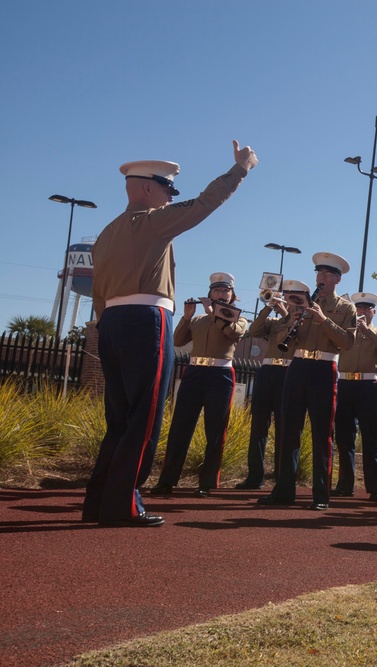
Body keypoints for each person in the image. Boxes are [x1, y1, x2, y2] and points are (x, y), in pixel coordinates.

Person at [82, 141, 257, 527]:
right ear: (146, 189)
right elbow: (203, 205)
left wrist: (107, 324)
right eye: (166, 189)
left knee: (120, 419)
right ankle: (122, 504)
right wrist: (239, 170)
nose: (169, 197)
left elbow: (98, 294)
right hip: (146, 319)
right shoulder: (150, 221)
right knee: (145, 417)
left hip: (111, 322)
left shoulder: (107, 233)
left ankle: (98, 500)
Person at [257, 254, 357, 510]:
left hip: (324, 368)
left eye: (325, 275)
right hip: (298, 366)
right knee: (289, 429)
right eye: (318, 274)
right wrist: (291, 322)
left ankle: (321, 494)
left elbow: (346, 343)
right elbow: (287, 340)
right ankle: (284, 490)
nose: (320, 279)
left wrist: (323, 319)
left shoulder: (346, 308)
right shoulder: (301, 303)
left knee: (322, 433)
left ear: (337, 279)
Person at [150, 273, 248, 496]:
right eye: (217, 291)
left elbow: (232, 333)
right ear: (209, 293)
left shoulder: (238, 318)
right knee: (180, 427)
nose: (221, 294)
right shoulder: (198, 320)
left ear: (233, 296)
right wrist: (186, 317)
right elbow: (177, 341)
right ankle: (167, 480)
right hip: (194, 372)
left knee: (214, 429)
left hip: (221, 374)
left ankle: (207, 482)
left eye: (226, 291)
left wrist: (215, 314)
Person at [235, 284, 302, 490]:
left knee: (285, 427)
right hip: (267, 372)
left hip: (289, 373)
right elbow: (254, 330)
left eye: (293, 300)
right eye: (287, 299)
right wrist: (267, 307)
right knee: (258, 426)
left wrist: (287, 316)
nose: (288, 303)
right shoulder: (273, 323)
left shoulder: (303, 323)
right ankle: (255, 476)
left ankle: (282, 477)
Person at [333, 292, 377, 501]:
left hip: (368, 385)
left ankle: (375, 486)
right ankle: (345, 483)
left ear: (374, 312)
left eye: (366, 309)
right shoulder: (346, 332)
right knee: (344, 437)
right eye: (359, 309)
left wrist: (368, 332)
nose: (362, 312)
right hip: (346, 383)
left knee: (370, 437)